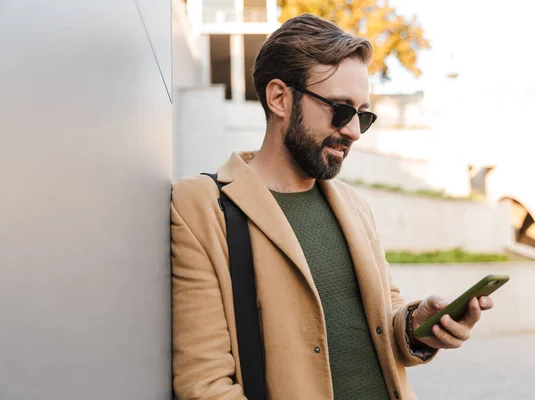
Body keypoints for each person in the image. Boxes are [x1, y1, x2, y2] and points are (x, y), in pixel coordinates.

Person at [171, 13, 494, 400]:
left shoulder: (353, 205)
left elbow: (383, 323)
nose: (354, 131)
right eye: (340, 110)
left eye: (363, 115)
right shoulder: (203, 206)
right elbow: (204, 384)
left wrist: (417, 326)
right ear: (279, 98)